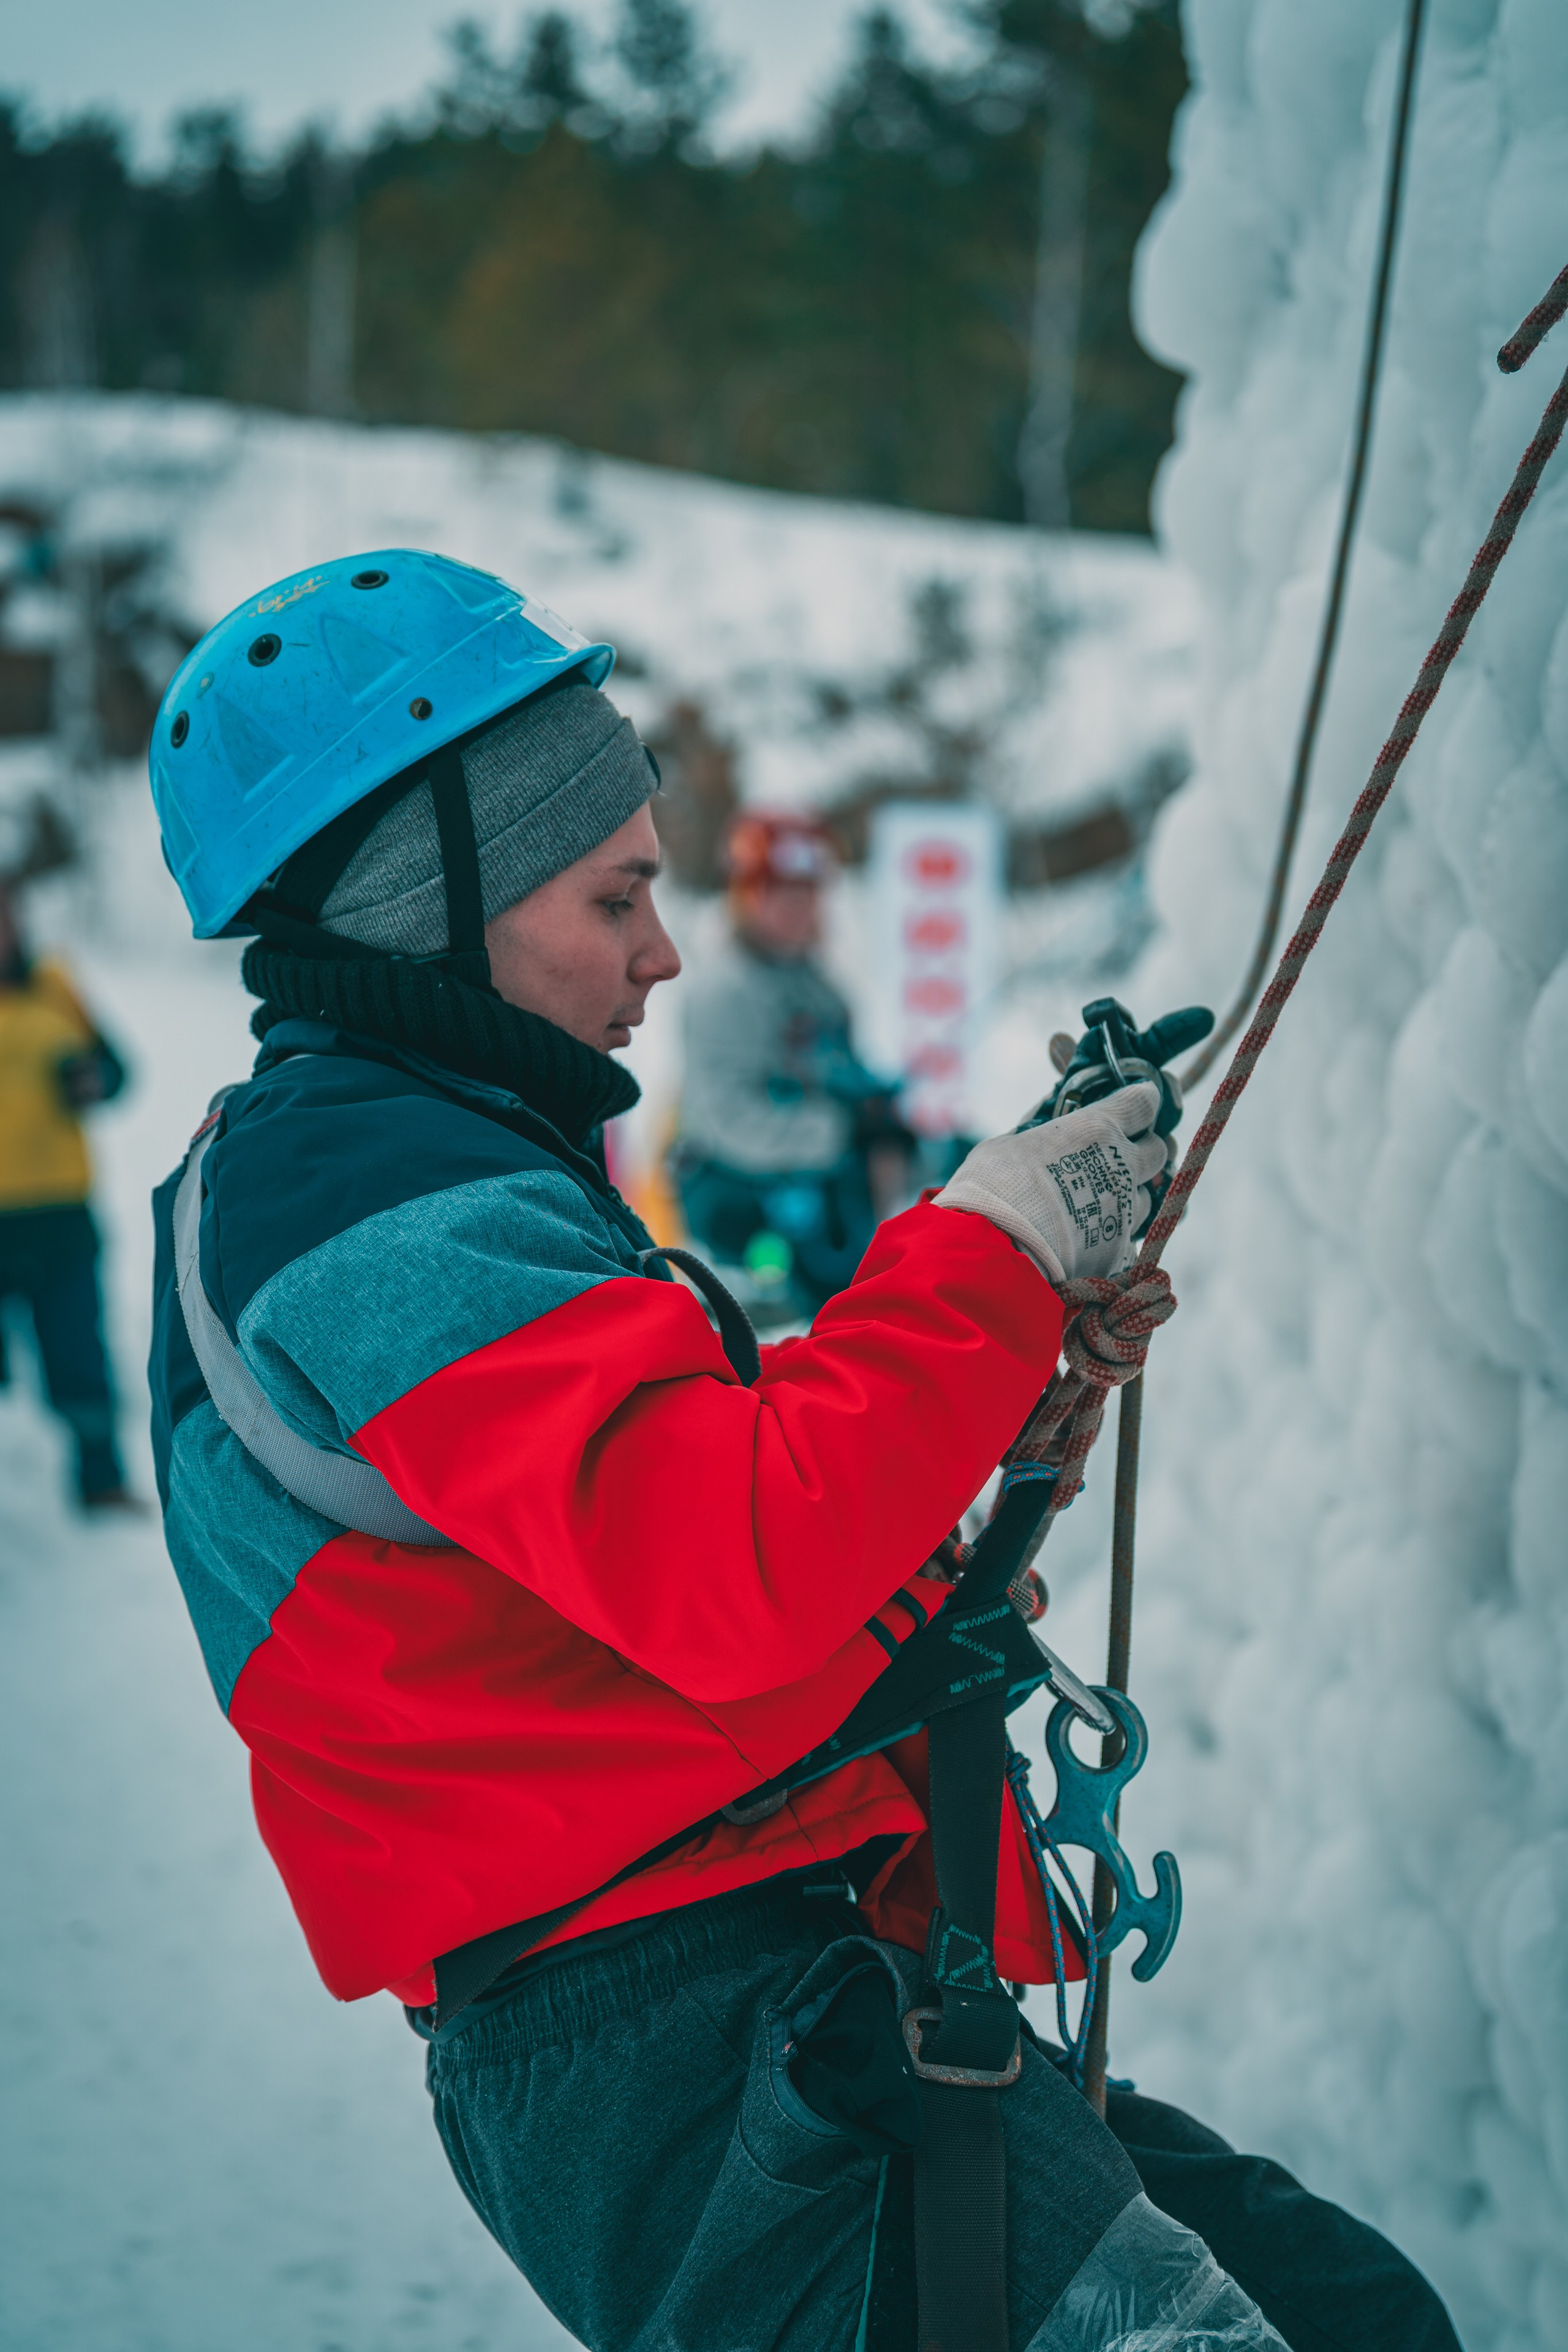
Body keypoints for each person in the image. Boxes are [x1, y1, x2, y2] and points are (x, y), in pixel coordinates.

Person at [146, 550, 1460, 2352]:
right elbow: (734, 1555)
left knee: (1354, 2312)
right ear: (431, 900)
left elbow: (661, 1509)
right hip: (671, 2029)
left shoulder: (430, 1156)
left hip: (770, 1954)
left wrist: (978, 1376)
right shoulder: (364, 1194)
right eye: (614, 894)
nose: (660, 950)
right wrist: (990, 1250)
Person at [676, 809, 916, 1313]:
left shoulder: (827, 992)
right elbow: (728, 1121)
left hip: (827, 1193)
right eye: (778, 892)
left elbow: (840, 1076)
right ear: (746, 897)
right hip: (739, 1203)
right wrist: (840, 1132)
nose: (796, 907)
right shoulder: (722, 991)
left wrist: (877, 1111)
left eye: (807, 892)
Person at [0, 870, 134, 1509]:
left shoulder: (54, 985)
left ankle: (102, 1482)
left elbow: (115, 1070)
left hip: (60, 1214)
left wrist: (91, 1080)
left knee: (79, 1358)